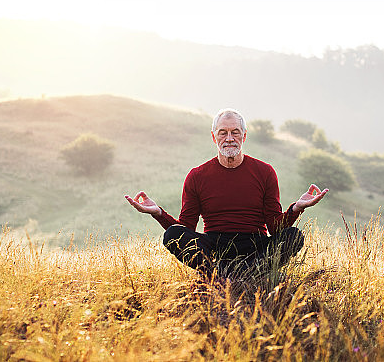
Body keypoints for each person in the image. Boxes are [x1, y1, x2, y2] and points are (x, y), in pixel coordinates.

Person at [125, 108, 328, 281]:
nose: (229, 138)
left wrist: (297, 208)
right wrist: (158, 213)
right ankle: (220, 275)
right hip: (215, 246)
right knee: (172, 235)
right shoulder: (197, 176)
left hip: (255, 247)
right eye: (223, 133)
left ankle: (237, 275)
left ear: (244, 136)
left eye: (235, 132)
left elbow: (275, 228)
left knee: (293, 237)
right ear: (214, 137)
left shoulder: (265, 172)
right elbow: (185, 228)